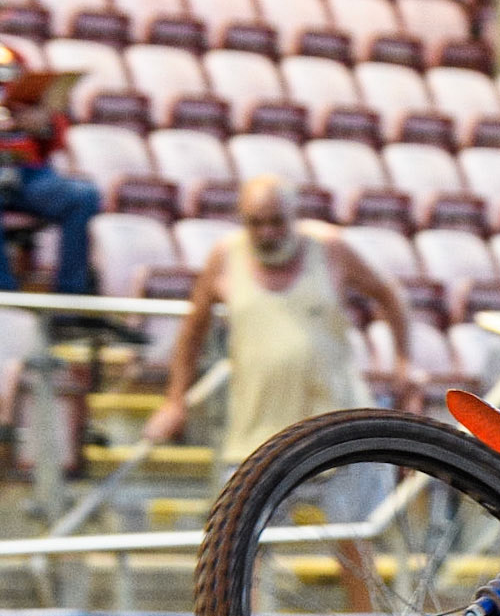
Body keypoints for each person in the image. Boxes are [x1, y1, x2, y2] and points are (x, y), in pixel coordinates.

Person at [145, 174, 421, 462]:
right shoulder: (226, 256)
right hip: (257, 442)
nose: (266, 233)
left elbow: (390, 295)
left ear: (295, 216)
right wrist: (175, 401)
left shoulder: (329, 248)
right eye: (256, 223)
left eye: (277, 222)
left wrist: (403, 361)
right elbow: (192, 332)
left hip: (337, 433)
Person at [0, 44, 100, 299]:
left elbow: (53, 137)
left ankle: (69, 301)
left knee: (82, 196)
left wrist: (43, 122)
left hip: (25, 171)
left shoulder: (12, 57)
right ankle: (7, 298)